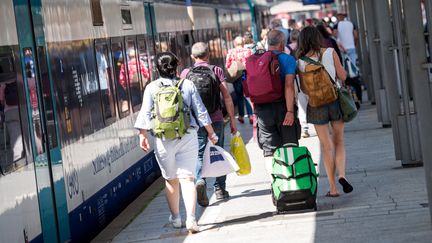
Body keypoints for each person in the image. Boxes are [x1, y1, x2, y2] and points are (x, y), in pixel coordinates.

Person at [135, 52, 218, 233]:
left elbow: (145, 113)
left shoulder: (151, 87)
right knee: (188, 179)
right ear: (177, 67)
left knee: (171, 180)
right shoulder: (187, 84)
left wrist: (142, 134)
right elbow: (201, 111)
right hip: (187, 136)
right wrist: (211, 133)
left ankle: (176, 218)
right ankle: (191, 219)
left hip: (163, 139)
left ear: (157, 69)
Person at [297, 26, 354, 197]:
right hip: (334, 101)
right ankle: (342, 175)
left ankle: (333, 188)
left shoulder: (299, 61)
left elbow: (303, 89)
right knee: (339, 141)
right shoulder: (330, 52)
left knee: (326, 146)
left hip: (315, 105)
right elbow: (343, 76)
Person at [180, 42, 238, 206]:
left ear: (192, 57)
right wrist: (232, 120)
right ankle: (220, 189)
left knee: (199, 154)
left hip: (196, 122)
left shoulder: (186, 73)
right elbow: (226, 96)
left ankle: (200, 182)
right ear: (208, 55)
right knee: (218, 151)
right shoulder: (216, 70)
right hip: (216, 119)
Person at [253, 29, 299, 177]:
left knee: (269, 152)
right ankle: (292, 181)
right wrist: (290, 111)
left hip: (263, 110)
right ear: (282, 43)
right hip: (283, 108)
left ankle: (276, 183)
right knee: (290, 146)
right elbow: (289, 85)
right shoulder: (288, 59)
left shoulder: (256, 60)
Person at [225, 36, 253, 124]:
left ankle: (241, 116)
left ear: (234, 43)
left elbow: (227, 65)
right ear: (243, 43)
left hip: (236, 77)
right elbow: (252, 63)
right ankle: (251, 115)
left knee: (239, 96)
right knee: (248, 96)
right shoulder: (248, 51)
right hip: (246, 75)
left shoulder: (231, 52)